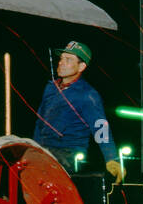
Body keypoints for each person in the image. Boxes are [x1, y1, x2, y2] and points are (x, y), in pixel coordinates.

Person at [33, 40, 124, 179]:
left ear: (81, 66)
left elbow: (100, 126)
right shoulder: (51, 88)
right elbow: (40, 122)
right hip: (43, 151)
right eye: (61, 58)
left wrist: (111, 158)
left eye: (68, 60)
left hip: (68, 154)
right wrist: (33, 148)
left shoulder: (87, 94)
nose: (61, 63)